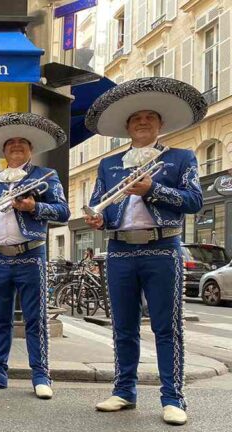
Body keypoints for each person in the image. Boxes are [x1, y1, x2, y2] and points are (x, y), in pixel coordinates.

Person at [84, 77, 206, 425]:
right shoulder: (110, 164)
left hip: (162, 247)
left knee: (166, 326)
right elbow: (100, 204)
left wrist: (154, 189)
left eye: (149, 117)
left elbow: (194, 201)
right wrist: (98, 219)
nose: (142, 122)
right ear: (127, 126)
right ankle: (124, 391)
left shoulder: (182, 158)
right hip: (120, 248)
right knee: (123, 326)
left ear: (160, 124)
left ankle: (173, 397)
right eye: (136, 118)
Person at [0, 113, 70, 399]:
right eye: (10, 143)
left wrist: (33, 207)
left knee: (34, 319)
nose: (15, 146)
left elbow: (63, 212)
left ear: (30, 149)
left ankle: (41, 376)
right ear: (4, 151)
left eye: (21, 143)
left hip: (30, 256)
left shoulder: (45, 176)